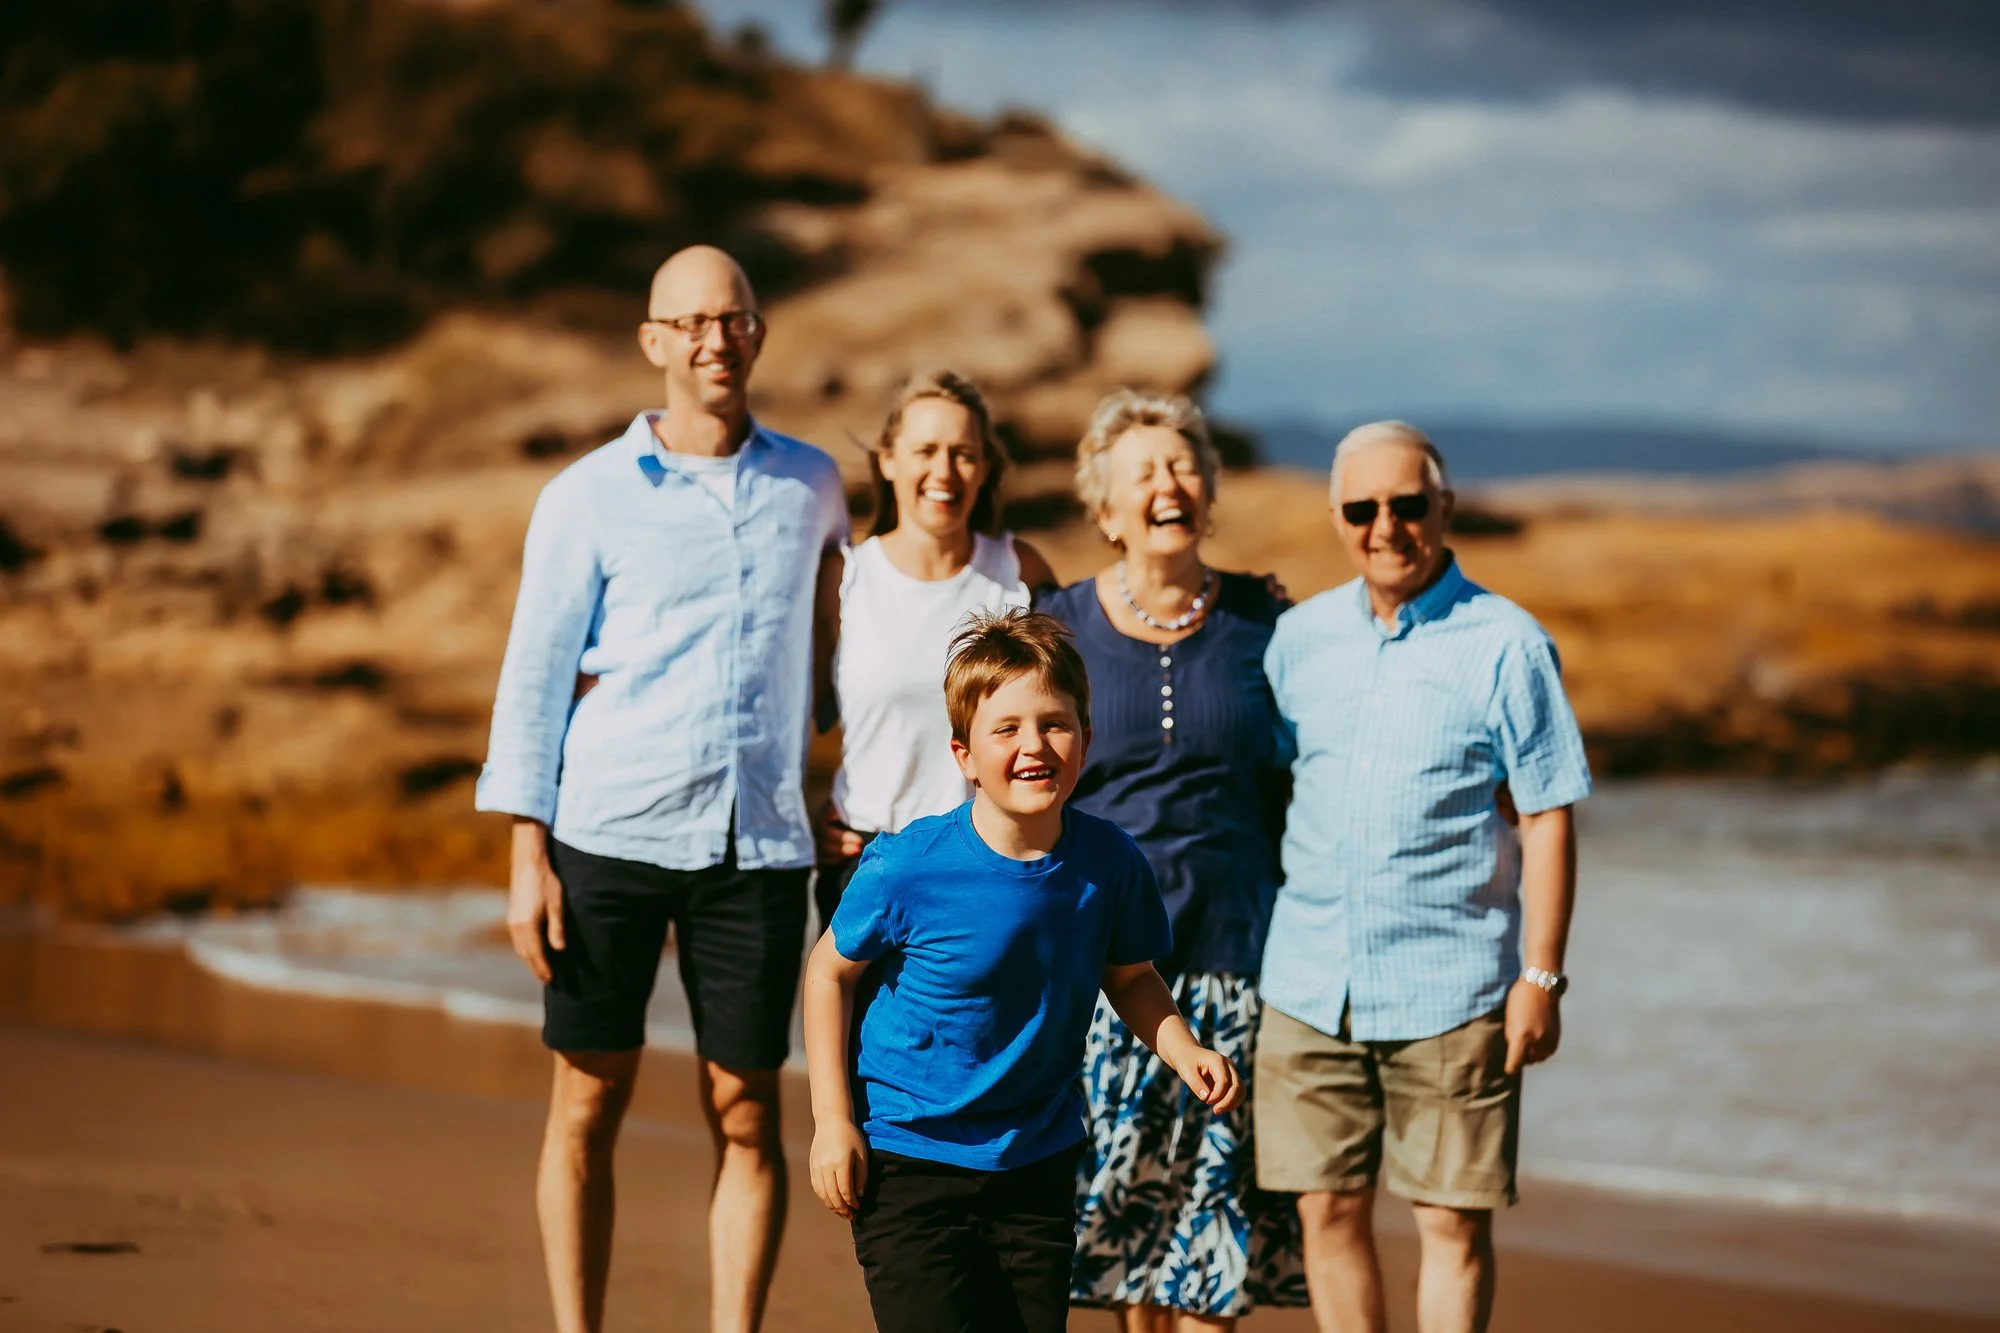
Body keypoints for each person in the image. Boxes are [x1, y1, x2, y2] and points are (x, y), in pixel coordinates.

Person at [475, 245, 848, 1333]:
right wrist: (524, 853)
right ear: (652, 343)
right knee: (588, 1098)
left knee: (745, 1109)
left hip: (760, 845)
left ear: (758, 331)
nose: (711, 340)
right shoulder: (582, 497)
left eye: (729, 319)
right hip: (608, 832)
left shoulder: (812, 483)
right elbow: (535, 675)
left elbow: (842, 653)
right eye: (687, 323)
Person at [800, 609, 1245, 1333]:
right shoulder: (907, 865)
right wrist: (831, 1120)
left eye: (1054, 723)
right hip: (910, 1160)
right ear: (965, 755)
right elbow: (828, 975)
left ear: (1087, 739)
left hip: (1036, 1163)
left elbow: (1130, 978)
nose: (1033, 744)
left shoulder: (1110, 863)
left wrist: (1184, 1048)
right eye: (1005, 728)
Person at [1254, 421, 1591, 1333]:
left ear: (1443, 506)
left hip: (1454, 988)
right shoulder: (1298, 640)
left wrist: (1542, 976)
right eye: (1363, 508)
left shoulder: (1508, 644)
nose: (1386, 525)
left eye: (1407, 504)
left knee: (1449, 1221)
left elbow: (1549, 813)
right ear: (1336, 516)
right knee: (1326, 1211)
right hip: (1307, 984)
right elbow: (1274, 782)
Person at [1037, 389, 1307, 1329]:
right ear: (1105, 509)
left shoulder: (1265, 623)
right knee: (1120, 1245)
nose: (1169, 484)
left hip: (1238, 963)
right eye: (1143, 471)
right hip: (1102, 975)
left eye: (1185, 465)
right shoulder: (1056, 626)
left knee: (1210, 1240)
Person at [812, 370, 1055, 928]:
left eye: (964, 454)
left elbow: (1069, 707)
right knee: (857, 1019)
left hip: (995, 858)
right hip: (867, 862)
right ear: (889, 460)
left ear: (986, 468)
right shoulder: (845, 578)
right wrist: (807, 817)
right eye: (926, 450)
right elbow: (793, 714)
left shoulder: (1020, 571)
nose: (944, 471)